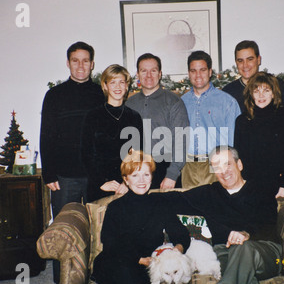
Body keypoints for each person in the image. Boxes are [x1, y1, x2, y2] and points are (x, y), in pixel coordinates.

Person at [164, 146, 282, 284]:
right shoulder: (209, 193)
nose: (224, 171)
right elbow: (173, 199)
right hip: (225, 253)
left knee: (243, 248)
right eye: (217, 167)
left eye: (227, 164)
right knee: (246, 282)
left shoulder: (261, 190)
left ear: (239, 165)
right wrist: (137, 197)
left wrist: (247, 234)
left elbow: (268, 224)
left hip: (265, 251)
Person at [40, 41, 105, 284]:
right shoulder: (54, 95)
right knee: (64, 229)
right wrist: (49, 174)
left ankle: (96, 276)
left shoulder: (101, 93)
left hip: (95, 176)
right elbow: (46, 135)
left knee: (97, 228)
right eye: (75, 60)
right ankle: (63, 281)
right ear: (68, 63)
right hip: (64, 176)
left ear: (92, 64)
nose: (80, 65)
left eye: (85, 60)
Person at [91, 150, 191, 284]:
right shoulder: (115, 207)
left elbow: (181, 233)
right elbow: (111, 245)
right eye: (135, 175)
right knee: (125, 273)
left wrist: (177, 250)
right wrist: (139, 260)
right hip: (116, 261)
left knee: (133, 277)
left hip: (146, 266)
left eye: (146, 174)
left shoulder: (160, 203)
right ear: (126, 179)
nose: (141, 180)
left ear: (151, 177)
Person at [126, 53, 190, 189]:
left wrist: (172, 175)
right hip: (137, 170)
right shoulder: (129, 103)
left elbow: (181, 140)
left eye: (153, 70)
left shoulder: (174, 102)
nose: (148, 75)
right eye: (144, 71)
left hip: (165, 169)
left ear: (160, 74)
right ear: (137, 74)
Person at [234, 72, 284, 199]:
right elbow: (240, 158)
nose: (261, 95)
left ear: (273, 93)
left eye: (266, 90)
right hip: (252, 188)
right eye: (256, 91)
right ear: (251, 94)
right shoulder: (242, 121)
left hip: (281, 187)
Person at [81, 64, 143, 202]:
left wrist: (127, 183)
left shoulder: (134, 117)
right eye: (113, 82)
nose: (118, 86)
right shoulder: (92, 116)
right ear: (105, 85)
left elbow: (137, 155)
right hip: (99, 186)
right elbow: (86, 154)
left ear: (127, 86)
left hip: (127, 186)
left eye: (122, 82)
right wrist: (101, 183)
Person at [181, 50, 241, 188]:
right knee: (188, 207)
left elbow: (233, 139)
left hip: (216, 165)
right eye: (193, 70)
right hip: (188, 166)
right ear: (189, 73)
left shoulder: (227, 102)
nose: (198, 75)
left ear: (210, 72)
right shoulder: (181, 102)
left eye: (202, 70)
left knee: (215, 207)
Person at [222, 40, 284, 118]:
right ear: (236, 63)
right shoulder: (228, 92)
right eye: (240, 61)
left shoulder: (277, 85)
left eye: (250, 59)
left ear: (258, 60)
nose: (245, 65)